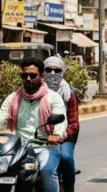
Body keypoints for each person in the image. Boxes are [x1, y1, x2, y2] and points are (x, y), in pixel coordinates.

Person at [0, 57, 67, 192]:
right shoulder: (13, 98)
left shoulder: (53, 98)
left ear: (42, 76)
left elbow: (61, 122)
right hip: (19, 148)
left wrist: (56, 134)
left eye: (33, 75)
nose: (28, 78)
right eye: (24, 75)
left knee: (47, 171)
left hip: (45, 146)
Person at [43, 56, 79, 192]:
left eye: (56, 70)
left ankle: (69, 188)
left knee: (66, 158)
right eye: (48, 70)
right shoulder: (36, 91)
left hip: (63, 138)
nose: (52, 74)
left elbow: (74, 123)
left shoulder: (69, 93)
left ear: (62, 72)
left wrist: (62, 135)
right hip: (39, 136)